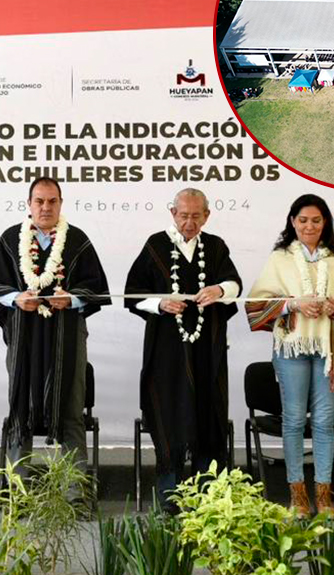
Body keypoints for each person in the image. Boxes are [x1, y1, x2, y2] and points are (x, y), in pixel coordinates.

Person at [0, 178, 109, 484]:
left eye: (52, 201)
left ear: (61, 204)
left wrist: (72, 298)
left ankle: (73, 492)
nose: (45, 207)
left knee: (70, 409)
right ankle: (16, 490)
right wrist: (15, 298)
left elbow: (96, 288)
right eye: (39, 201)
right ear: (29, 204)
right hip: (23, 335)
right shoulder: (11, 239)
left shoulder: (77, 240)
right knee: (19, 409)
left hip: (67, 338)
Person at [124, 188, 241, 511]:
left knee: (208, 417)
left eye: (196, 216)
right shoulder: (156, 245)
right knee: (169, 417)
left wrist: (218, 289)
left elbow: (235, 285)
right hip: (167, 353)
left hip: (208, 352)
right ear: (172, 213)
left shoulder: (214, 246)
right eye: (184, 215)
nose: (189, 222)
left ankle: (210, 498)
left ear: (207, 215)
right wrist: (160, 303)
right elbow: (131, 294)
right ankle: (171, 499)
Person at [245, 194, 334, 518]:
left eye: (316, 220)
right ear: (293, 222)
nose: (309, 226)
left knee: (323, 423)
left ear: (326, 223)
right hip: (291, 348)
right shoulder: (279, 257)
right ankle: (297, 498)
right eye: (303, 220)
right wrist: (293, 304)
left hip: (328, 351)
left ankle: (323, 497)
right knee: (293, 422)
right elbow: (255, 303)